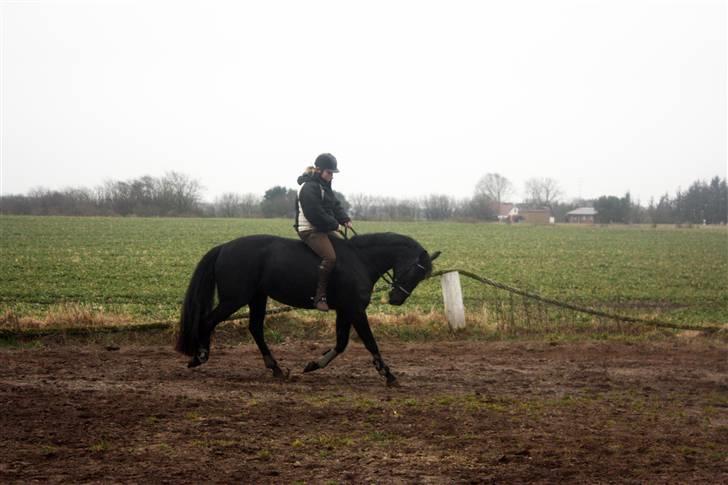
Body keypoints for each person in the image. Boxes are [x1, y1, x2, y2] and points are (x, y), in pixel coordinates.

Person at [295, 153, 353, 311]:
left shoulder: (324, 186)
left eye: (333, 173)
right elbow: (314, 213)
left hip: (323, 228)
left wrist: (344, 219)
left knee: (345, 249)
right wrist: (334, 225)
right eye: (329, 172)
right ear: (319, 170)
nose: (331, 176)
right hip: (310, 230)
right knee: (330, 257)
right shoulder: (308, 187)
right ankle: (319, 296)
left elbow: (334, 205)